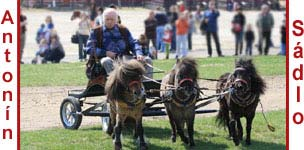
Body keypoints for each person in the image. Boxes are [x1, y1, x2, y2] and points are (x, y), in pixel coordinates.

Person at [86, 8, 152, 77]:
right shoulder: (96, 32)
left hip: (125, 58)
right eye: (107, 19)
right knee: (106, 61)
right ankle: (116, 83)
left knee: (147, 60)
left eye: (112, 19)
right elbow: (89, 49)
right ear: (103, 19)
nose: (109, 22)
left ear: (116, 19)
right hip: (106, 59)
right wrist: (105, 53)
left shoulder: (123, 30)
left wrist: (139, 54)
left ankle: (146, 85)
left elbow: (133, 43)